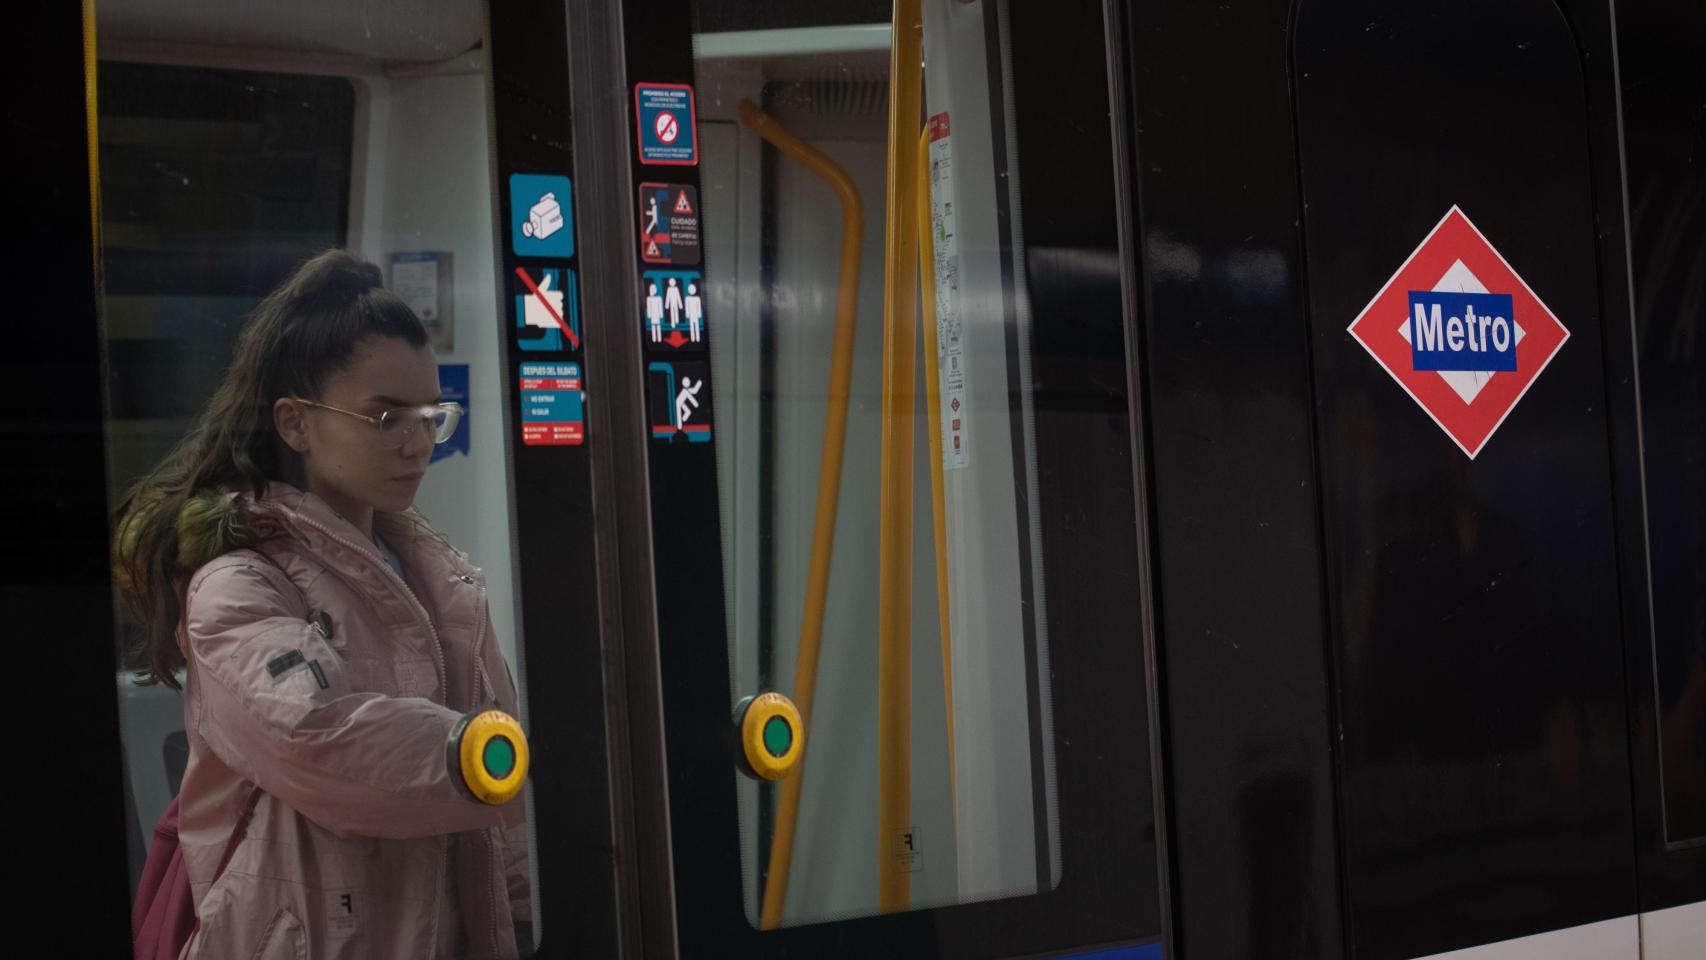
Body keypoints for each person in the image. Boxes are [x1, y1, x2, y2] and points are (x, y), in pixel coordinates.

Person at [113, 250, 531, 959]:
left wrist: (519, 917)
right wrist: (478, 754)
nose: (416, 442)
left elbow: (505, 822)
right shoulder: (239, 584)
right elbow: (324, 741)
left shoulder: (445, 582)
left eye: (432, 415)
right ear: (295, 423)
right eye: (385, 417)